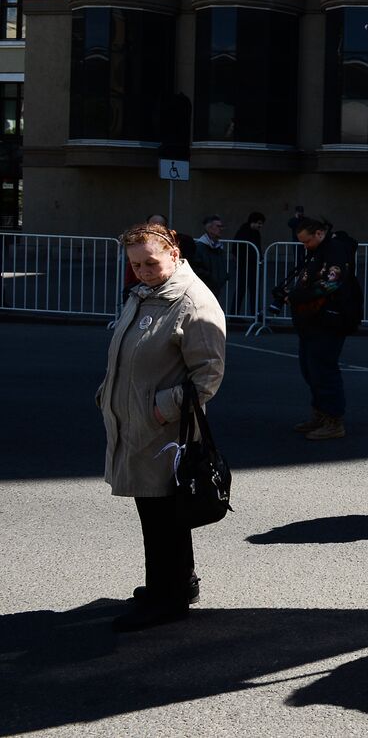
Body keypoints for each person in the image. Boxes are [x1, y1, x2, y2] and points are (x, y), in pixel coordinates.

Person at [98, 222, 225, 631]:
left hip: (164, 432)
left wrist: (159, 410)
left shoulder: (192, 301)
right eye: (135, 264)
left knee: (161, 515)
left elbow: (208, 376)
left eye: (150, 262)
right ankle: (178, 583)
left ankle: (165, 597)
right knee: (158, 512)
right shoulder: (146, 293)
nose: (142, 271)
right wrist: (107, 393)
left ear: (174, 253)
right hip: (137, 425)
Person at [285, 217, 362, 440]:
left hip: (329, 320)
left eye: (307, 241)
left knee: (324, 371)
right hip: (313, 321)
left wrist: (299, 295)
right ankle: (320, 414)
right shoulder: (320, 250)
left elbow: (332, 281)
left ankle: (333, 420)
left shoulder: (334, 250)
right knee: (311, 369)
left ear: (319, 233)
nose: (305, 246)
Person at [190, 215, 229, 303]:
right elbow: (196, 268)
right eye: (218, 226)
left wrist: (223, 277)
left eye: (222, 226)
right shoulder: (199, 247)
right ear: (209, 228)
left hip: (215, 287)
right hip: (204, 287)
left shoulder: (218, 248)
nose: (221, 229)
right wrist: (210, 277)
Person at [233, 212, 265, 316]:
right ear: (253, 222)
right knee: (242, 289)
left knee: (253, 290)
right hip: (245, 264)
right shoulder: (243, 232)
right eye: (259, 223)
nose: (260, 226)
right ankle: (235, 314)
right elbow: (236, 248)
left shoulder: (254, 233)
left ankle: (255, 313)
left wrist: (260, 257)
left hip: (253, 264)